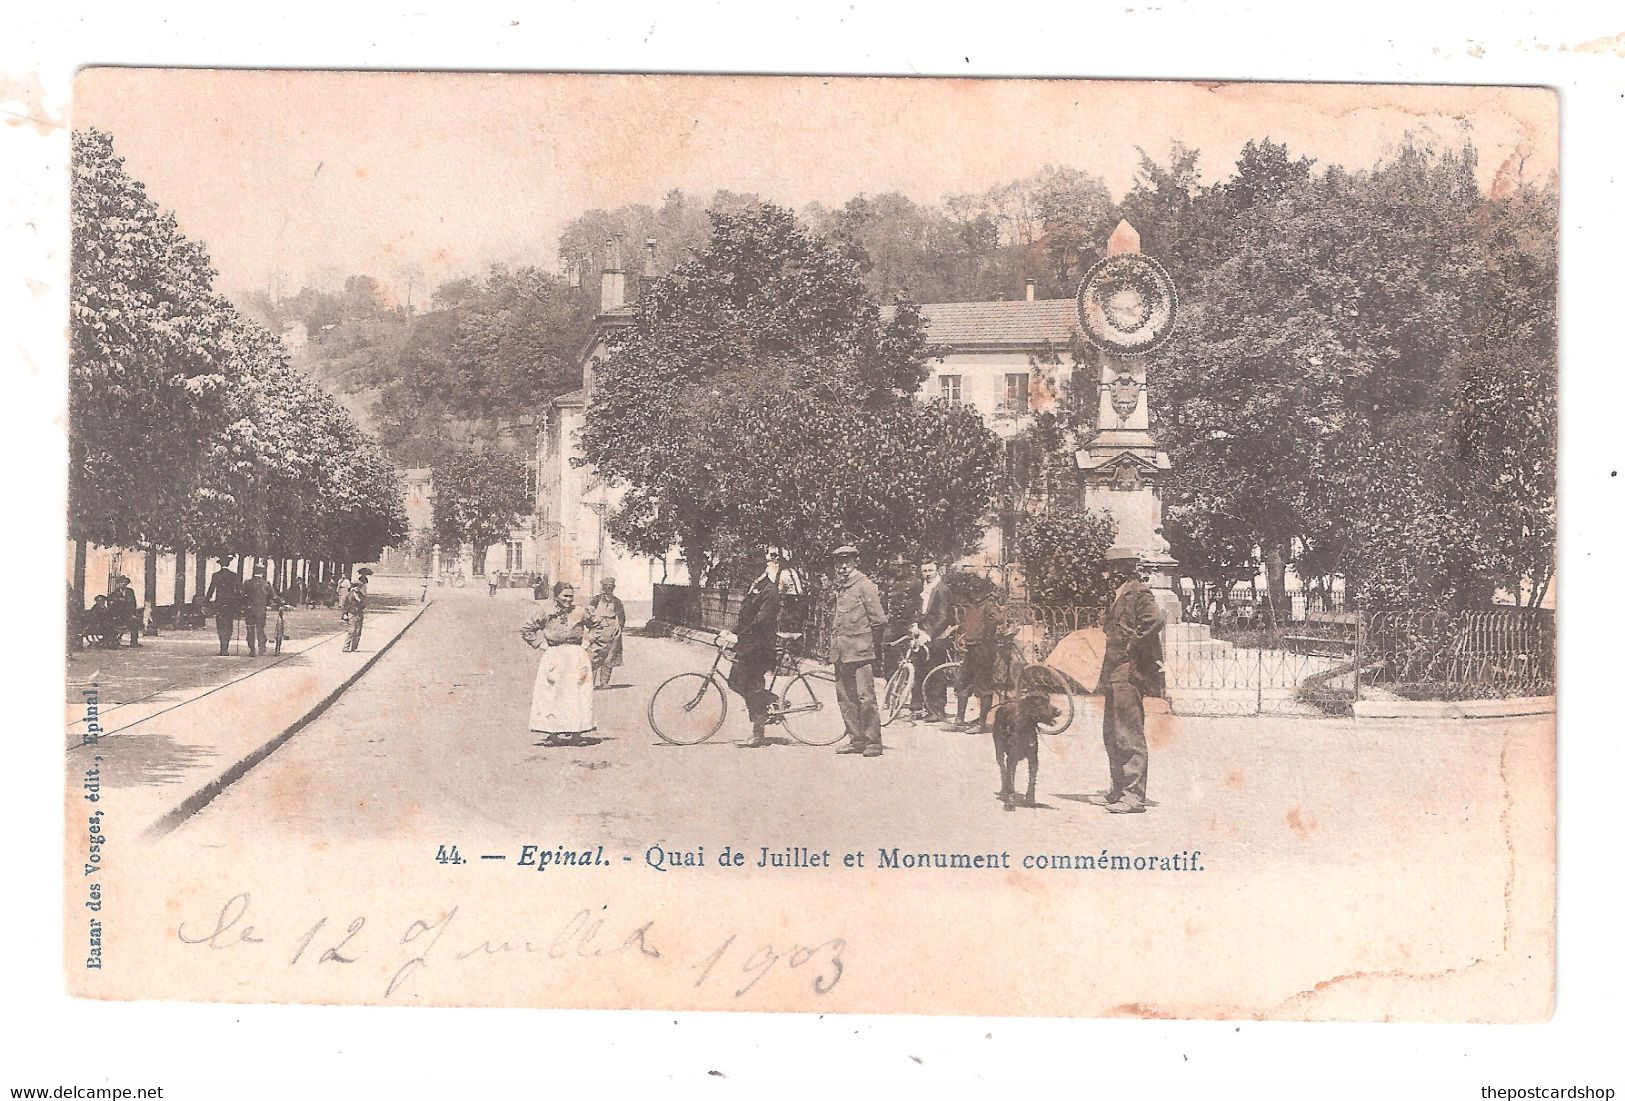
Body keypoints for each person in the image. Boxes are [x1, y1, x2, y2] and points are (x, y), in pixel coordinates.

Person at [1096, 546, 1166, 814]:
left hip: (1129, 669)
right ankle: (1117, 789)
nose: (1109, 572)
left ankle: (1134, 796)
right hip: (1113, 670)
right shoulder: (1117, 594)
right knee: (1112, 733)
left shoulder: (1138, 592)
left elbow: (1154, 621)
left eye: (1114, 567)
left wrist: (1130, 645)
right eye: (1109, 567)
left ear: (1125, 567)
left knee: (1128, 734)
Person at [829, 545, 888, 758]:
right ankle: (856, 740)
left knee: (866, 698)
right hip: (841, 651)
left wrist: (867, 644)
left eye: (848, 562)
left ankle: (873, 742)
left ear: (855, 562)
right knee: (845, 698)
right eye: (839, 562)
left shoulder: (865, 585)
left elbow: (879, 620)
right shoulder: (841, 586)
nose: (843, 567)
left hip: (861, 652)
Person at [722, 552, 785, 748]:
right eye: (750, 571)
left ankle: (758, 734)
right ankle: (774, 700)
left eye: (755, 570)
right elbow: (745, 619)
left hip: (762, 647)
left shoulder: (770, 590)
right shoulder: (755, 588)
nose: (752, 574)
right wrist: (730, 632)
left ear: (763, 569)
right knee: (735, 682)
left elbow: (761, 620)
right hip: (750, 644)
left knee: (752, 686)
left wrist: (739, 637)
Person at [520, 582, 595, 746]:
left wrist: (587, 642)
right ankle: (552, 734)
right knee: (551, 693)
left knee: (577, 693)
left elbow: (597, 626)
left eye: (571, 596)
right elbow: (527, 629)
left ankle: (577, 734)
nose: (568, 599)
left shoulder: (580, 611)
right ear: (556, 596)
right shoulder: (545, 611)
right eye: (565, 596)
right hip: (554, 655)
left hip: (576, 655)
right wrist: (541, 644)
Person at [949, 576, 1005, 733]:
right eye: (973, 591)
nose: (975, 594)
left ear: (985, 592)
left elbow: (997, 621)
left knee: (983, 686)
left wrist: (987, 634)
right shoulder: (970, 605)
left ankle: (981, 723)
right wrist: (962, 634)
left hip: (984, 649)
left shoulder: (989, 605)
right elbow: (967, 624)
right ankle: (959, 720)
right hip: (971, 649)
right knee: (962, 682)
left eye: (978, 591)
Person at [908, 561, 951, 720]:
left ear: (937, 570)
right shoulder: (922, 588)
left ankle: (938, 710)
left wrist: (929, 634)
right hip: (921, 635)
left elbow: (943, 617)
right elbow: (918, 610)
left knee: (936, 672)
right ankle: (919, 707)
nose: (927, 573)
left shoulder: (942, 589)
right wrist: (915, 626)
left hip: (937, 636)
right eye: (924, 570)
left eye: (930, 570)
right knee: (919, 670)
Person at [585, 577, 627, 689]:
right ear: (603, 587)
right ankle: (590, 683)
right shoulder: (596, 599)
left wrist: (619, 627)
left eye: (611, 586)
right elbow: (589, 614)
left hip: (612, 629)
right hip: (598, 629)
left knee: (610, 656)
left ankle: (604, 682)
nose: (609, 588)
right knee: (593, 657)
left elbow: (622, 617)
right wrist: (592, 625)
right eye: (607, 586)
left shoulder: (617, 601)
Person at [241, 563, 282, 657]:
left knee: (250, 629)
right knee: (260, 629)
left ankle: (252, 650)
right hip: (261, 611)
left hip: (249, 610)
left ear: (253, 571)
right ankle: (262, 648)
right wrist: (280, 603)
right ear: (262, 573)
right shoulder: (266, 584)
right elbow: (274, 596)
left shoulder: (247, 583)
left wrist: (243, 606)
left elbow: (241, 596)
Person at [204, 558, 242, 656]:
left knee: (220, 625)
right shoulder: (234, 576)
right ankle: (226, 647)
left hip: (220, 604)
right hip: (230, 604)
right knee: (229, 625)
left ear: (220, 565)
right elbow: (238, 591)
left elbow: (211, 590)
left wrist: (206, 601)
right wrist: (239, 604)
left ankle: (222, 647)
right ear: (229, 564)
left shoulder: (216, 575)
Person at [341, 569, 370, 652]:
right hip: (351, 613)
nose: (358, 588)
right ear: (353, 587)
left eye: (359, 587)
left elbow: (364, 604)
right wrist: (344, 614)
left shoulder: (360, 595)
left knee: (358, 631)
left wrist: (360, 601)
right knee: (352, 630)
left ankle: (354, 647)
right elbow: (345, 605)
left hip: (359, 614)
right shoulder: (349, 595)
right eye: (356, 586)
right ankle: (346, 647)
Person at [109, 575, 141, 648]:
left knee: (135, 621)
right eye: (121, 582)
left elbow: (133, 604)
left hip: (129, 615)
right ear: (118, 583)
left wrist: (133, 614)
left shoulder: (130, 592)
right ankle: (114, 641)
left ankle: (134, 642)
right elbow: (112, 606)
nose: (123, 584)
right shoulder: (114, 593)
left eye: (125, 582)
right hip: (119, 616)